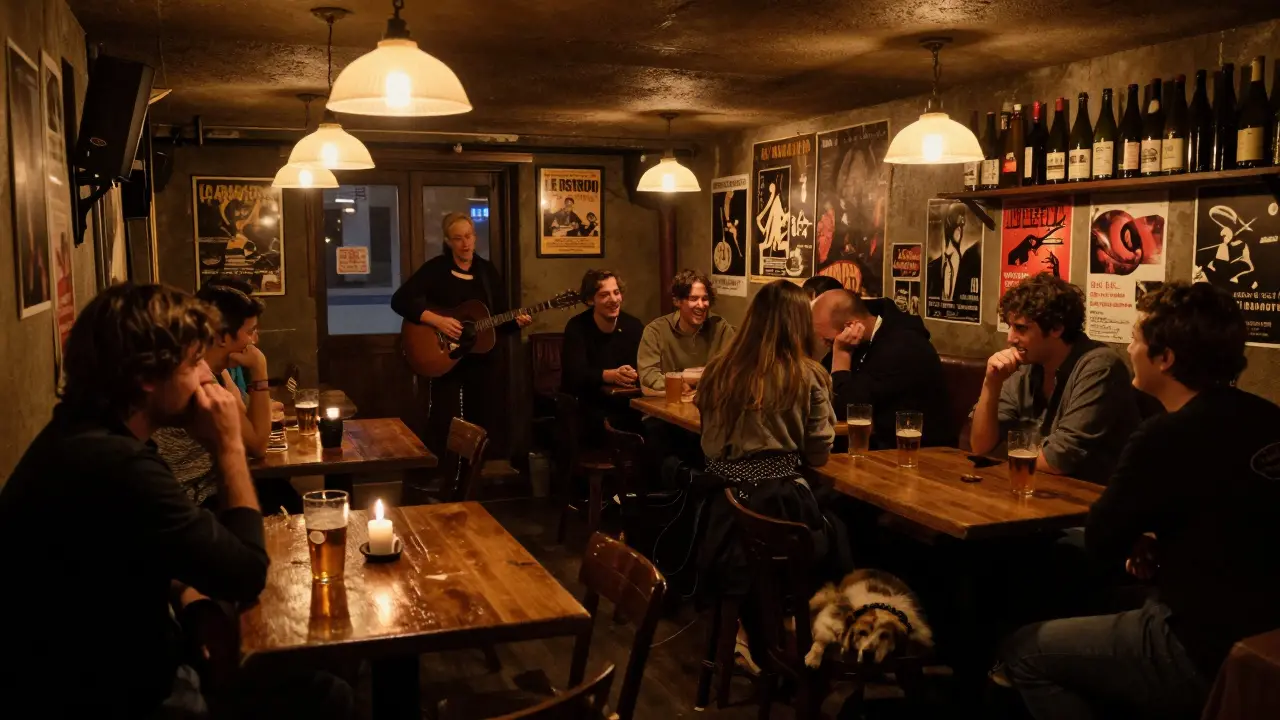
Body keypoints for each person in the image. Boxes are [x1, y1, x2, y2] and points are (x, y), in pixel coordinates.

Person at [0, 284, 349, 718]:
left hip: (126, 666)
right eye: (194, 361)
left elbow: (132, 552)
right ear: (148, 377)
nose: (206, 376)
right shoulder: (116, 464)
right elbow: (245, 574)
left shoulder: (89, 435)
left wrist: (187, 596)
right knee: (328, 695)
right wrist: (227, 446)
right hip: (117, 695)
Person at [1001, 282, 1280, 720]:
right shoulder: (1268, 417)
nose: (1128, 348)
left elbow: (1101, 541)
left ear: (1164, 358)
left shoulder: (1162, 436)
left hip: (1199, 646)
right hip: (1266, 633)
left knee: (1024, 650)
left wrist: (1141, 541)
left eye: (1134, 338)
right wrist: (1157, 542)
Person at [694, 280, 848, 667]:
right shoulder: (808, 374)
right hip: (780, 507)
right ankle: (808, 632)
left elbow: (709, 448)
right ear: (799, 324)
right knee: (844, 529)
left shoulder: (717, 370)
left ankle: (753, 631)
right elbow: (819, 455)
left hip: (722, 510)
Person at [969, 274, 1138, 485]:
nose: (1010, 339)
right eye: (1010, 326)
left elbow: (1058, 460)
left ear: (1057, 328)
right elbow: (980, 446)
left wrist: (1005, 460)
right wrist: (991, 384)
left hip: (1088, 498)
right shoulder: (1027, 364)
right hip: (1037, 489)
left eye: (1021, 328)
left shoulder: (1100, 367)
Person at [391, 212, 531, 454]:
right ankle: (438, 468)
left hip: (481, 359)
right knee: (443, 418)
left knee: (482, 421)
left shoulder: (487, 272)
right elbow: (400, 300)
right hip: (445, 355)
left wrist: (515, 323)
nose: (465, 244)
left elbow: (497, 319)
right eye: (458, 238)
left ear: (475, 237)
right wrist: (437, 321)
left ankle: (474, 470)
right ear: (448, 241)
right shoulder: (436, 269)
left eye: (468, 236)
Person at [154, 276, 283, 509]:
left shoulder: (212, 371)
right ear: (221, 336)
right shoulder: (196, 380)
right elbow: (257, 445)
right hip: (193, 503)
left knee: (281, 491)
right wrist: (259, 369)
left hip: (208, 493)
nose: (254, 341)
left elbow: (245, 416)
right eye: (250, 332)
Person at [812, 289, 954, 449]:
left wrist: (841, 355)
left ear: (851, 327)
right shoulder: (859, 341)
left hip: (916, 452)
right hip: (878, 447)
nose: (827, 347)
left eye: (828, 341)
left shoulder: (902, 347)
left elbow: (847, 410)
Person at [560, 269, 644, 440]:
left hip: (629, 404)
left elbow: (644, 366)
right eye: (605, 295)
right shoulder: (577, 327)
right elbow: (574, 375)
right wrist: (610, 375)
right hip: (588, 408)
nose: (613, 300)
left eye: (616, 292)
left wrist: (633, 373)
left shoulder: (633, 326)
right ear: (590, 300)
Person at [637, 269, 736, 394]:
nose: (701, 305)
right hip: (667, 404)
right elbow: (648, 377)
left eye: (705, 299)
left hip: (709, 403)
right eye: (693, 298)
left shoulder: (721, 328)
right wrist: (682, 378)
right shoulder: (655, 331)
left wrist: (696, 377)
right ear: (677, 301)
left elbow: (735, 370)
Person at [926, 202, 982, 302]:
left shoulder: (972, 266)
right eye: (957, 223)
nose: (960, 229)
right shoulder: (933, 268)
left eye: (962, 223)